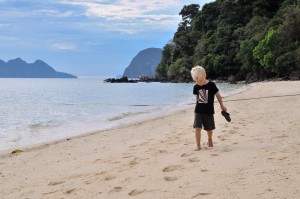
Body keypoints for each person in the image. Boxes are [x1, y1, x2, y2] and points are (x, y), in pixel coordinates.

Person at [191, 66, 227, 151]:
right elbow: (197, 98)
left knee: (209, 128)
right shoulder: (196, 87)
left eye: (200, 81)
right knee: (197, 128)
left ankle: (210, 139)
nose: (198, 83)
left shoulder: (211, 85)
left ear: (205, 76)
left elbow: (218, 96)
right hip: (198, 110)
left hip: (209, 111)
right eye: (196, 81)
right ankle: (198, 145)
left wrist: (222, 106)